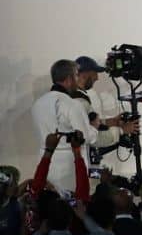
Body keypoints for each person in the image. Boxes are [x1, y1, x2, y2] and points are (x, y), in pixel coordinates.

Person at [30, 59, 98, 192]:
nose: (78, 80)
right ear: (69, 79)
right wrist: (94, 127)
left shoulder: (38, 104)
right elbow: (86, 137)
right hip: (70, 168)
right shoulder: (71, 104)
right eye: (76, 75)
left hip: (46, 162)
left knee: (49, 204)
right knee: (71, 208)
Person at [71, 55, 140, 160]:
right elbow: (95, 138)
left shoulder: (74, 96)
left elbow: (87, 124)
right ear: (85, 74)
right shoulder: (79, 101)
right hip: (75, 160)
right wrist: (122, 130)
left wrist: (111, 121)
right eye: (95, 73)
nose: (97, 78)